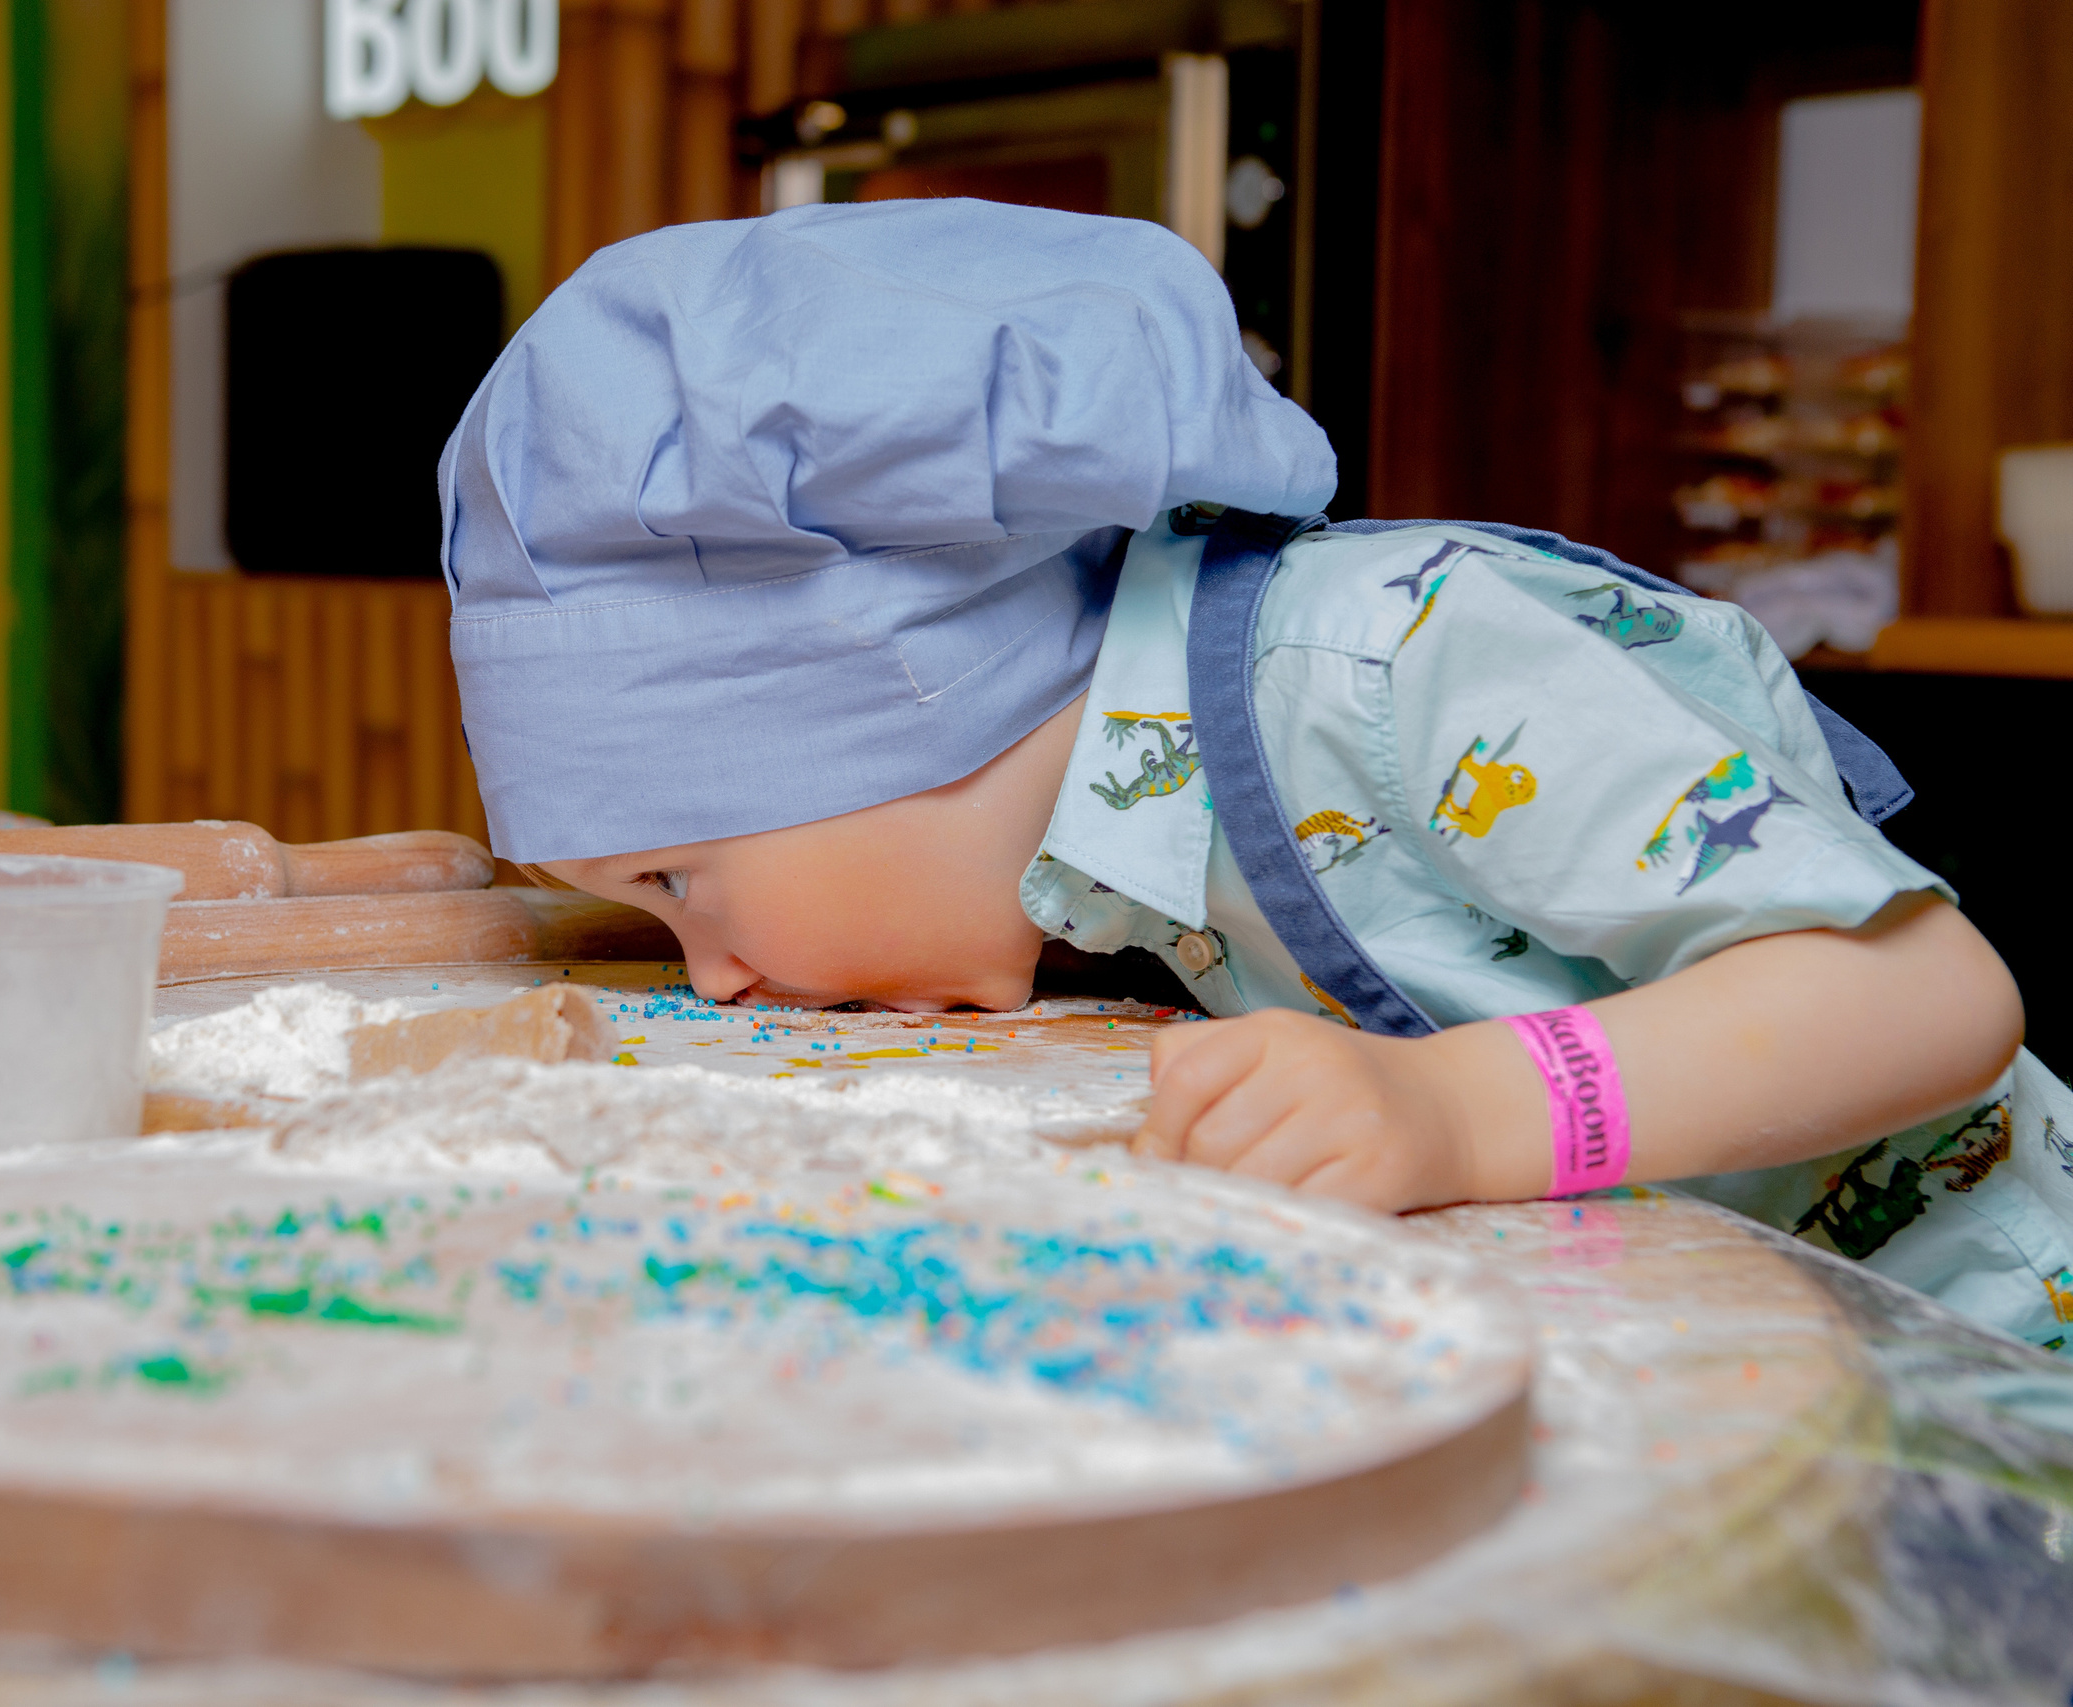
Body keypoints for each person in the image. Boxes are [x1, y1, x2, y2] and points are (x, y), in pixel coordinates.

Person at [437, 198, 2073, 1356]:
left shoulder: (1388, 665)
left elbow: (1926, 996)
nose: (717, 978)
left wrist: (1454, 1112)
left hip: (1981, 1381)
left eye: (674, 884)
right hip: (1729, 1358)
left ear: (898, 700)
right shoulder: (1077, 842)